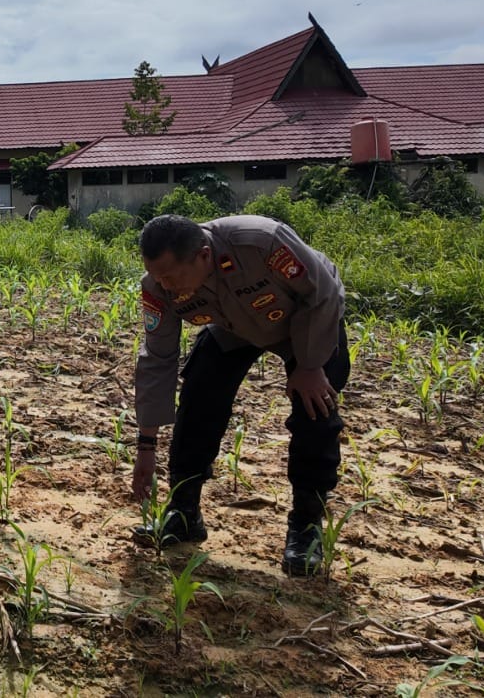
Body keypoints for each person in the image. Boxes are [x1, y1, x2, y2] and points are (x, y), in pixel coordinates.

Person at [130, 213, 347, 576]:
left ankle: (307, 527)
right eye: (157, 277)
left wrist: (310, 365)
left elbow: (322, 292)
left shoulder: (261, 242)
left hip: (307, 319)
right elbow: (157, 360)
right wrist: (146, 446)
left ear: (203, 256)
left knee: (314, 408)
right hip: (235, 327)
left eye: (172, 277)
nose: (165, 286)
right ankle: (184, 511)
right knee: (199, 390)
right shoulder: (157, 286)